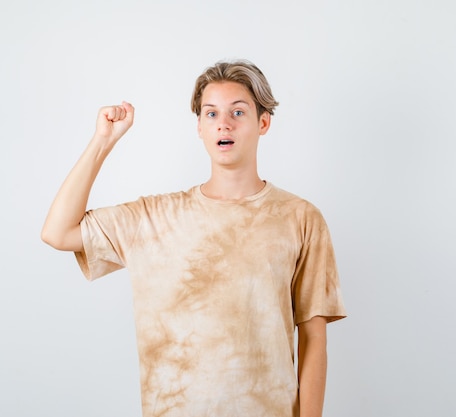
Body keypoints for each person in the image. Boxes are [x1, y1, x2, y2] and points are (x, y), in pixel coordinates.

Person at [41, 60, 346, 417]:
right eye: (211, 113)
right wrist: (103, 141)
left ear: (263, 123)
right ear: (199, 127)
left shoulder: (300, 218)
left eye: (238, 111)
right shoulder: (154, 218)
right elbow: (57, 232)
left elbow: (314, 339)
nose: (224, 123)